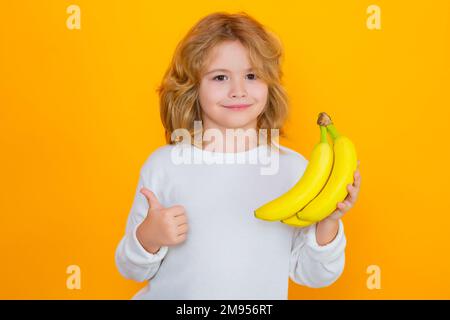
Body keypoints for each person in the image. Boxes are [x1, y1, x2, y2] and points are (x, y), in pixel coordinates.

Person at [115, 11, 361, 300]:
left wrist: (328, 221)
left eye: (252, 75)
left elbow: (314, 275)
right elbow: (131, 270)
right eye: (220, 77)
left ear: (270, 85)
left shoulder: (295, 170)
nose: (238, 91)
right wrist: (148, 238)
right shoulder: (164, 165)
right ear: (193, 86)